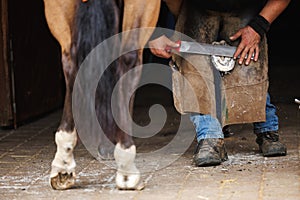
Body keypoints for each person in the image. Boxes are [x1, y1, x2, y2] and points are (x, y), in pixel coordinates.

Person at [148, 0, 290, 166]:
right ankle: (210, 137)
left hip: (245, 7)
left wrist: (259, 26)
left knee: (248, 64)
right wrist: (154, 32)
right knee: (195, 69)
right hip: (196, 6)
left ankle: (267, 129)